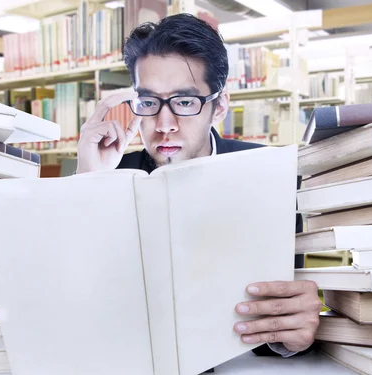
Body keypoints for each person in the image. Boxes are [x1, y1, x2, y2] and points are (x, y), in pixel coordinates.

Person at [76, 13, 321, 357]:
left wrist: (294, 336)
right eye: (148, 102)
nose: (164, 125)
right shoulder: (111, 173)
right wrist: (88, 185)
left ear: (218, 106)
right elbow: (74, 303)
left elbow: (285, 312)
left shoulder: (269, 175)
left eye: (185, 102)